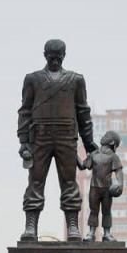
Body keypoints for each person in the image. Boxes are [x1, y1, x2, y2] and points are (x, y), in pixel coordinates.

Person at [17, 38, 97, 241]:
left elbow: (83, 112)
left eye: (58, 58)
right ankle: (31, 227)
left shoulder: (75, 80)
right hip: (40, 138)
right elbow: (25, 111)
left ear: (64, 56)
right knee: (35, 182)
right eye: (51, 58)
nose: (54, 61)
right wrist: (24, 141)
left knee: (69, 183)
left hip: (66, 137)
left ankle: (72, 226)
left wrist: (89, 144)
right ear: (44, 55)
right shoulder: (32, 79)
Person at [82, 131, 124, 242]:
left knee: (106, 211)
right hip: (94, 187)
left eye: (107, 136)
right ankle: (91, 233)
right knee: (93, 211)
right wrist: (72, 154)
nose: (103, 137)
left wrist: (120, 184)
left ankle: (107, 234)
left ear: (112, 142)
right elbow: (83, 165)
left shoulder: (113, 157)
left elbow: (118, 171)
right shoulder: (94, 154)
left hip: (107, 190)